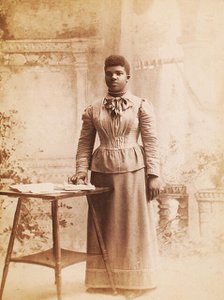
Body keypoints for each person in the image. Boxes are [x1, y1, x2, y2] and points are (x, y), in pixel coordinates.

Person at [69, 54, 160, 299]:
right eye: (109, 73)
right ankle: (103, 280)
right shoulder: (93, 109)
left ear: (127, 77)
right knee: (105, 226)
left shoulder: (141, 105)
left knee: (132, 226)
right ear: (105, 75)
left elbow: (151, 142)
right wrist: (80, 172)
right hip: (102, 174)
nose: (113, 77)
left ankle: (134, 281)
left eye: (118, 73)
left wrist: (154, 175)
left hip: (134, 171)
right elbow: (84, 144)